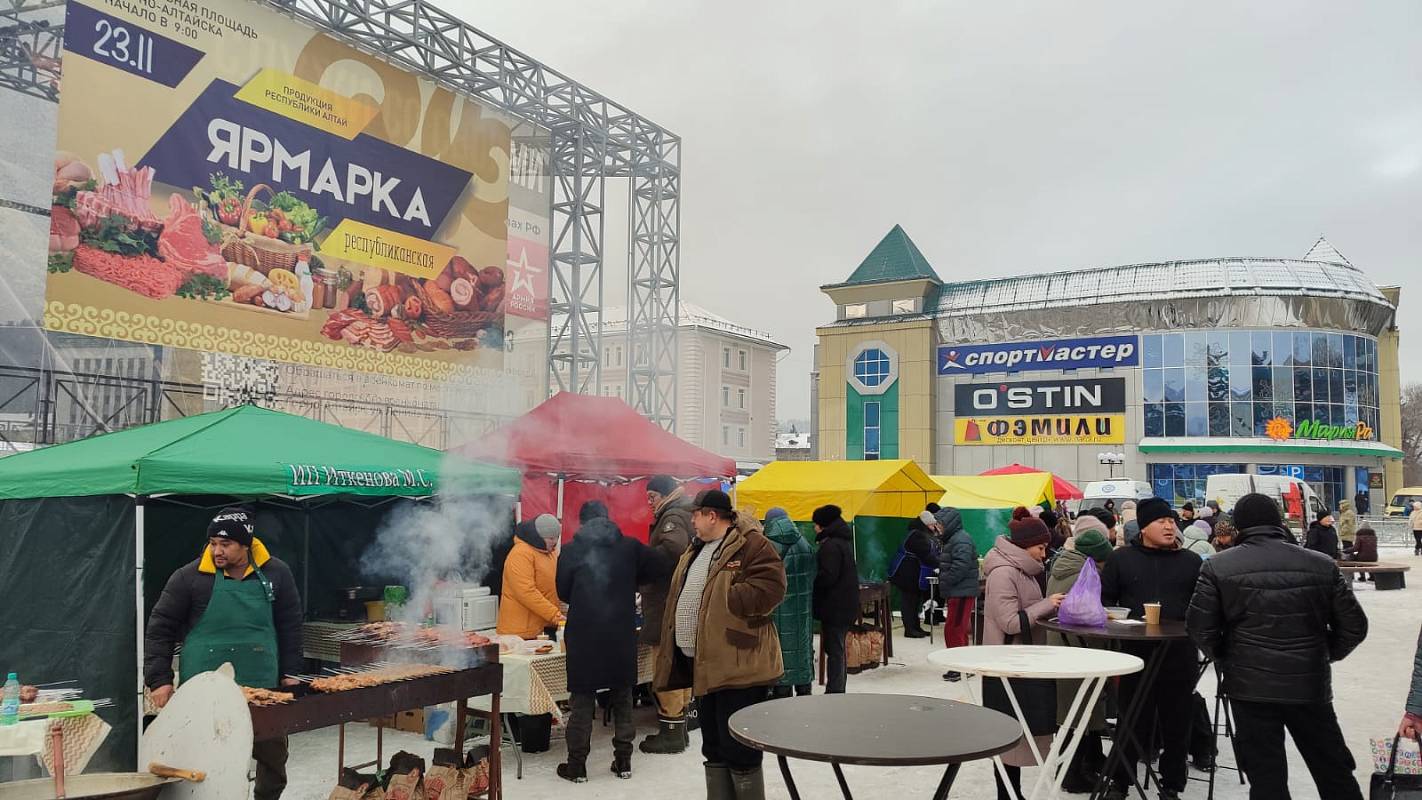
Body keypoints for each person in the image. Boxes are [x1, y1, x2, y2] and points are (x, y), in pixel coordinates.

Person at [1188, 492, 1368, 800]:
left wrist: (1229, 656)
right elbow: (1354, 626)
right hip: (1308, 684)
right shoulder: (1321, 564)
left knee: (1266, 777)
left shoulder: (1218, 566)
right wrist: (1322, 653)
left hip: (1249, 687)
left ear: (1239, 526)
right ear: (1278, 521)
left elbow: (1200, 627)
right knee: (1332, 769)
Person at [144, 508, 303, 800]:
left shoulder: (276, 572)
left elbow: (291, 626)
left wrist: (291, 674)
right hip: (205, 692)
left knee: (273, 759)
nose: (217, 550)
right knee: (205, 757)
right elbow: (159, 629)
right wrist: (159, 680)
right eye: (213, 543)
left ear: (246, 544)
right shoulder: (189, 577)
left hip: (262, 686)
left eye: (225, 544)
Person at [654, 489, 786, 799]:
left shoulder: (751, 543)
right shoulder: (697, 547)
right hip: (705, 665)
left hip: (739, 665)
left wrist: (729, 598)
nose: (692, 520)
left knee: (739, 748)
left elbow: (773, 587)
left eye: (696, 514)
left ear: (712, 516)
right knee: (713, 746)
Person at [556, 501, 667, 782]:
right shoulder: (629, 547)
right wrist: (630, 580)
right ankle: (623, 761)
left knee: (582, 700)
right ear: (608, 519)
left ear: (582, 523)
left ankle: (577, 766)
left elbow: (563, 591)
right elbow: (660, 566)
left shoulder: (570, 550)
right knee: (623, 696)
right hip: (620, 632)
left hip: (584, 634)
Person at [1100, 498, 1203, 800]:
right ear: (1144, 527)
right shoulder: (1122, 559)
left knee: (1177, 720)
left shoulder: (1191, 561)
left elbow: (1203, 604)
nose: (1170, 526)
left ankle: (1172, 785)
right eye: (1161, 521)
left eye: (1172, 521)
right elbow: (1106, 600)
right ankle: (1120, 781)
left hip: (1179, 652)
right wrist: (1118, 618)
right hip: (1135, 653)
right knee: (1132, 717)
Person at [982, 515, 1064, 800]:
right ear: (1025, 545)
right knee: (1006, 734)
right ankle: (1007, 794)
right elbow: (1010, 622)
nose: (1044, 553)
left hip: (1022, 663)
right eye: (1040, 547)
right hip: (1007, 666)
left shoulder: (1024, 570)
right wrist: (1047, 604)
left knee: (1019, 732)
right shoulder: (1004, 573)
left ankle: (1011, 793)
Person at [1046, 521, 1114, 792]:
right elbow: (1086, 614)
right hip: (1078, 647)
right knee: (1077, 712)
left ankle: (1084, 764)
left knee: (1072, 710)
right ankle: (1071, 775)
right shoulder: (1084, 574)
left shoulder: (1063, 565)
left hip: (1060, 644)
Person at [639, 475, 695, 754]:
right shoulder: (686, 511)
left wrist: (645, 563)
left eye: (652, 496)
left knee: (666, 666)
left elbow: (673, 548)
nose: (649, 502)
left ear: (665, 494)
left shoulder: (672, 515)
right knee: (679, 666)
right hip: (680, 602)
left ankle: (671, 733)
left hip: (665, 602)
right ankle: (680, 729)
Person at [763, 508, 813, 698]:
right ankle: (804, 690)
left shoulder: (769, 545)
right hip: (803, 610)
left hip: (778, 611)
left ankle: (782, 695)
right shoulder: (803, 542)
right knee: (802, 651)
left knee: (782, 653)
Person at [811, 504, 859, 694]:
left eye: (816, 524)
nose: (814, 527)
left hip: (834, 607)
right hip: (843, 605)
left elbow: (828, 576)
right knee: (837, 650)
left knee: (835, 651)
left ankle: (835, 690)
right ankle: (838, 688)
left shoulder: (830, 546)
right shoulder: (842, 542)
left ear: (823, 524)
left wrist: (813, 582)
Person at [496, 514, 563, 639]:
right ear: (539, 537)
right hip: (519, 632)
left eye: (557, 537)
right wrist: (555, 615)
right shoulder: (520, 554)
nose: (555, 542)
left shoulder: (550, 553)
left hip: (542, 628)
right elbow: (526, 592)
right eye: (551, 538)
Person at [936, 507, 979, 682]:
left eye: (940, 524)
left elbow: (961, 565)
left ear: (949, 523)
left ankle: (960, 666)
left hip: (961, 591)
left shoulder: (961, 539)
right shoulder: (953, 539)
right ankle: (960, 665)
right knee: (956, 628)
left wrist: (946, 579)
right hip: (957, 591)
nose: (937, 527)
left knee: (955, 628)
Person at [890, 511, 940, 638]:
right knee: (909, 601)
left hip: (913, 572)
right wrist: (941, 563)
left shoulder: (919, 533)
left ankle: (916, 627)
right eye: (932, 525)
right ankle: (910, 629)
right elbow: (926, 554)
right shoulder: (917, 535)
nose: (934, 527)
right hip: (907, 573)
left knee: (915, 600)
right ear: (926, 524)